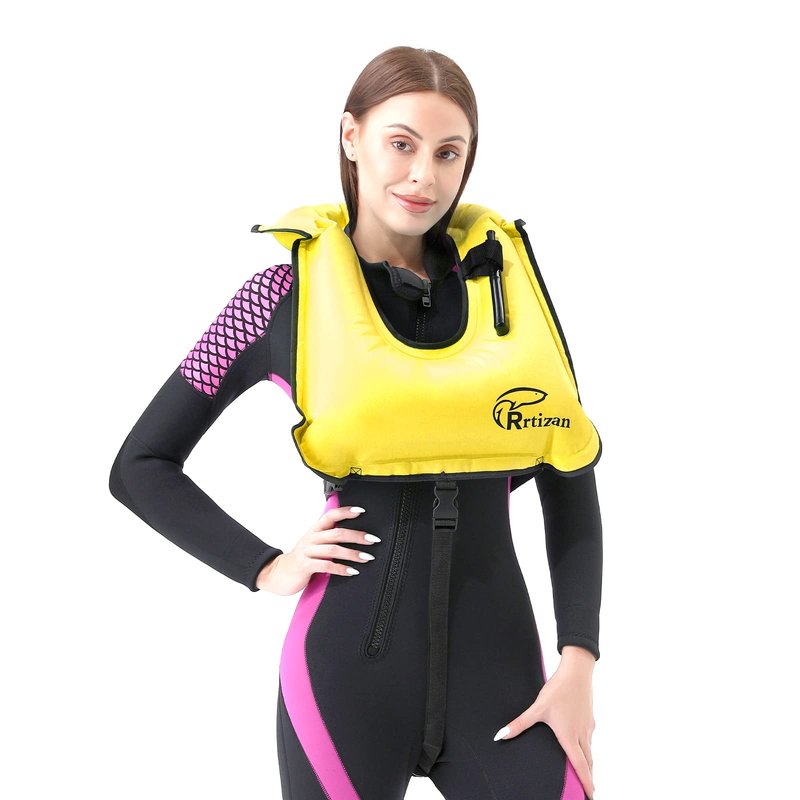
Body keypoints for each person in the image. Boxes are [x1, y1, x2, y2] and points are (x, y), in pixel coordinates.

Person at [109, 46, 603, 800]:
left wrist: (579, 662)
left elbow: (570, 473)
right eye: (401, 144)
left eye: (448, 153)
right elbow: (140, 465)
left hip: (503, 683)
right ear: (351, 136)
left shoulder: (509, 293)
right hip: (346, 681)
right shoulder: (278, 297)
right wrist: (265, 566)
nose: (423, 176)